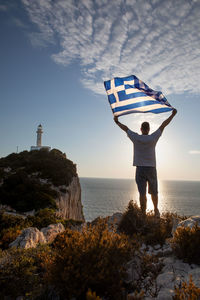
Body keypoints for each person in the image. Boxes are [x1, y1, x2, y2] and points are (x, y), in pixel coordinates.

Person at [114, 109, 177, 217]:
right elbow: (163, 125)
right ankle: (156, 210)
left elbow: (126, 129)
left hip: (140, 169)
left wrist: (117, 122)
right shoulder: (153, 137)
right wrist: (173, 115)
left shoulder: (136, 137)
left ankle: (143, 213)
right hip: (151, 168)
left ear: (141, 129)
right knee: (154, 192)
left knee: (142, 193)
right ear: (148, 129)